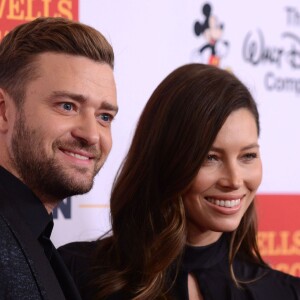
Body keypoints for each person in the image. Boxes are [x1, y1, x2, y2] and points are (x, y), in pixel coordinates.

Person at [59, 64, 300, 300]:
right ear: (167, 159)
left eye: (248, 156)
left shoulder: (285, 292)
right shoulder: (76, 273)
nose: (234, 180)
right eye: (210, 158)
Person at [0, 17, 118, 300]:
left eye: (104, 117)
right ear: (4, 111)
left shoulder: (39, 241)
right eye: (67, 106)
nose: (91, 134)